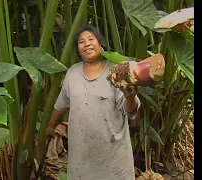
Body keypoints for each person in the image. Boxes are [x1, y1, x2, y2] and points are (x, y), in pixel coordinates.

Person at [46, 24, 141, 180]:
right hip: (81, 158)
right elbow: (61, 104)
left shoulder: (115, 72)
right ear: (78, 48)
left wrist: (130, 96)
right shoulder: (72, 73)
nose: (87, 44)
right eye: (81, 42)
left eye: (91, 39)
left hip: (113, 159)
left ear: (100, 43)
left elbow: (130, 111)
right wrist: (50, 126)